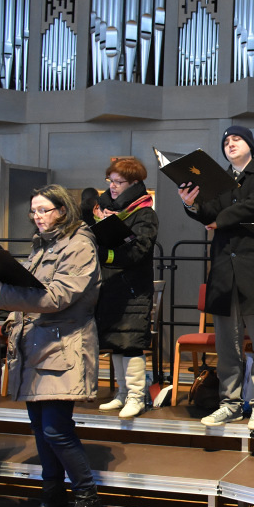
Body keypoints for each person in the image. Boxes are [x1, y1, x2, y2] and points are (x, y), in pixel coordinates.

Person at [0, 184, 103, 507]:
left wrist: (1, 293)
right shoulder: (41, 245)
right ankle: (53, 498)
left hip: (63, 346)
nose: (37, 216)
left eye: (43, 210)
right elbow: (31, 290)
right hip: (36, 345)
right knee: (40, 430)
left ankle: (86, 500)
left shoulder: (79, 245)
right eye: (33, 211)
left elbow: (57, 297)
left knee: (56, 430)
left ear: (62, 210)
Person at [178, 125, 254, 430]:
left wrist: (219, 220)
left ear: (250, 144)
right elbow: (206, 211)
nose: (230, 143)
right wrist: (190, 203)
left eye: (237, 139)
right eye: (226, 141)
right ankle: (230, 404)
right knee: (227, 346)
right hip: (225, 270)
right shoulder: (217, 180)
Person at [95, 158, 159, 418]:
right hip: (110, 286)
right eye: (110, 181)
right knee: (115, 341)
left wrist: (107, 254)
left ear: (134, 183)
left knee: (131, 341)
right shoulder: (105, 211)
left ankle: (136, 396)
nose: (112, 186)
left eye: (119, 182)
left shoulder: (144, 214)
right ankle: (122, 393)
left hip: (134, 288)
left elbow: (139, 250)